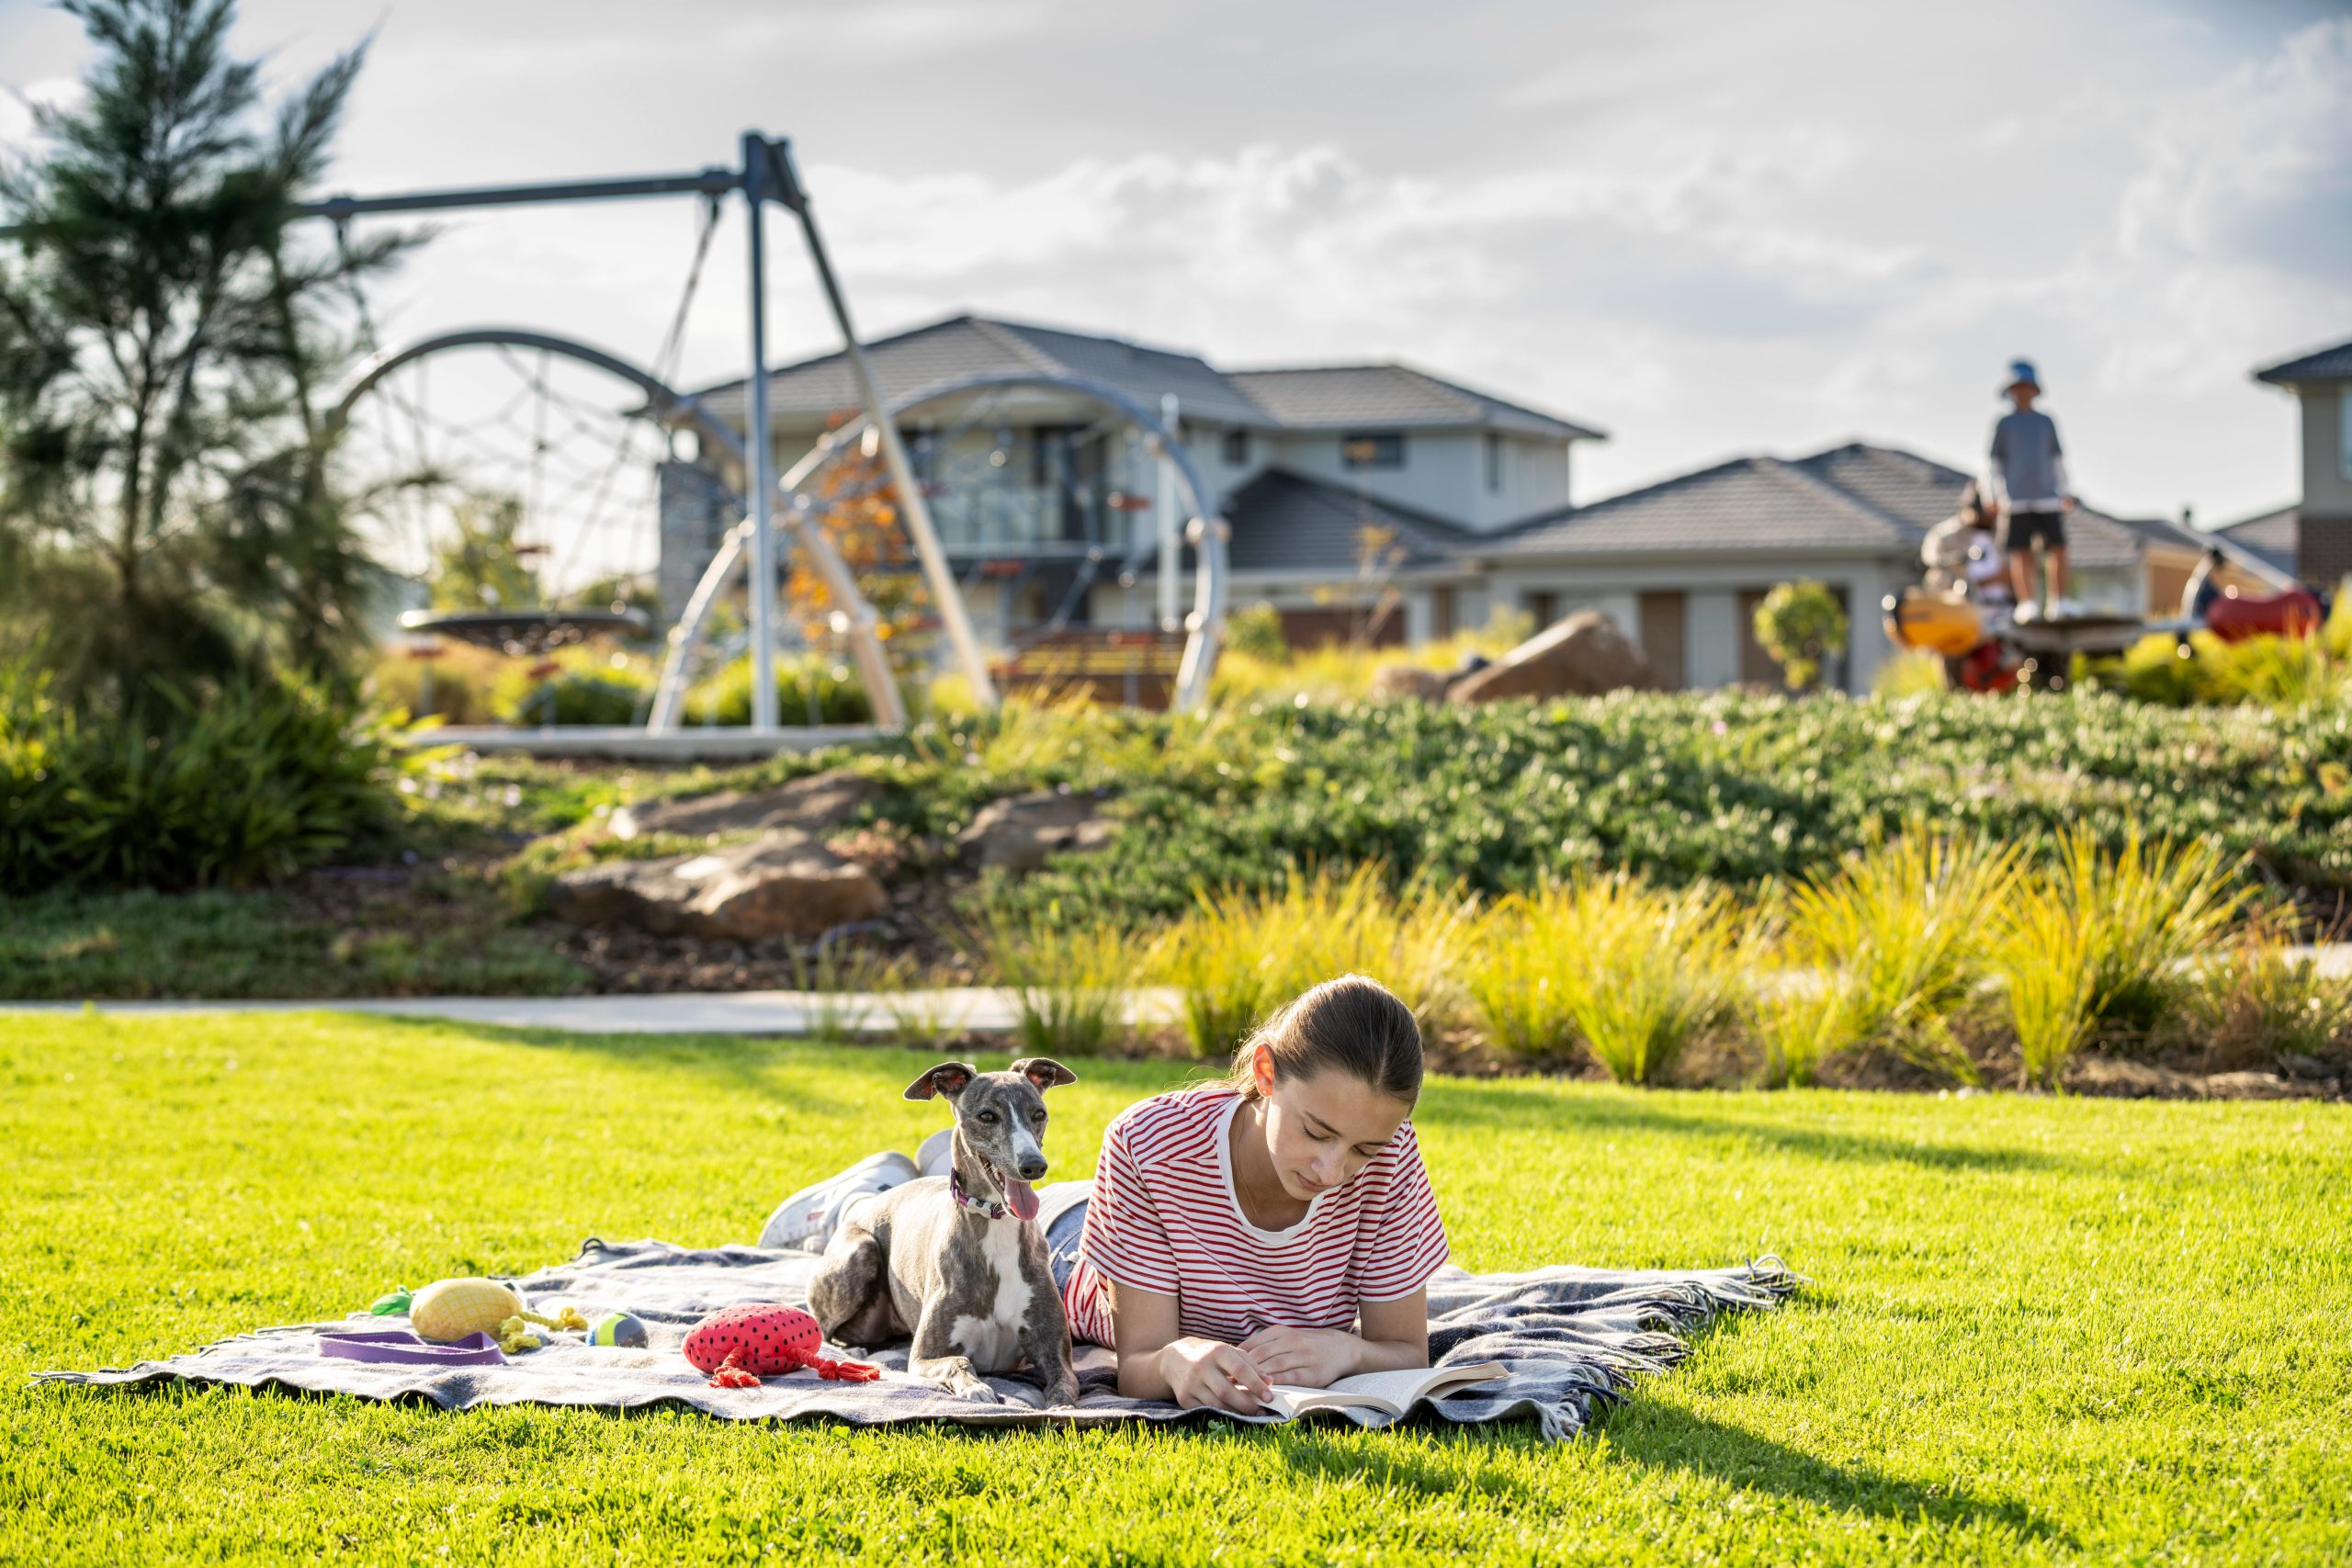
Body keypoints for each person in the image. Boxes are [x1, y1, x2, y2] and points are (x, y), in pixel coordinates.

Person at [757, 974, 1450, 1414]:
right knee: (976, 1211)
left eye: (1364, 1146)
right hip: (1062, 1241)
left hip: (1099, 1208)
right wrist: (1176, 1359)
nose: (1334, 1168)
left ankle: (924, 1166)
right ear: (1265, 1072)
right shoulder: (1149, 1143)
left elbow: (1404, 1351)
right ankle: (862, 1193)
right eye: (1317, 1131)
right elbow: (1141, 1364)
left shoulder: (1391, 1161)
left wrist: (1345, 1351)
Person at [1986, 359, 2080, 622]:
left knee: (2058, 549)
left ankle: (2059, 602)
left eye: (2026, 387)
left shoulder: (2046, 422)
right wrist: (1992, 496)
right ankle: (2027, 604)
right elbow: (1994, 463)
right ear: (2011, 391)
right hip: (2016, 501)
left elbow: (2057, 459)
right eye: (2018, 388)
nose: (2022, 393)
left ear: (2035, 390)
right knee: (2021, 552)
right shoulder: (2004, 424)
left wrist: (2066, 490)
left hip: (2048, 497)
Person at [1919, 479, 2010, 613]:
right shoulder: (1945, 535)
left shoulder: (2002, 534)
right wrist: (1957, 564)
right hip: (1958, 609)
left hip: (2003, 607)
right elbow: (1931, 561)